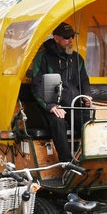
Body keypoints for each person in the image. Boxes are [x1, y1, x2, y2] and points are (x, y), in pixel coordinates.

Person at [30, 22, 92, 162]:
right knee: (58, 122)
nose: (70, 40)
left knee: (89, 121)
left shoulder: (77, 58)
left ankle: (91, 159)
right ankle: (67, 163)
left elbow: (84, 81)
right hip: (51, 107)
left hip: (73, 105)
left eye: (72, 37)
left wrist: (87, 95)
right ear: (56, 37)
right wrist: (51, 106)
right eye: (66, 37)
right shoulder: (43, 58)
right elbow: (36, 86)